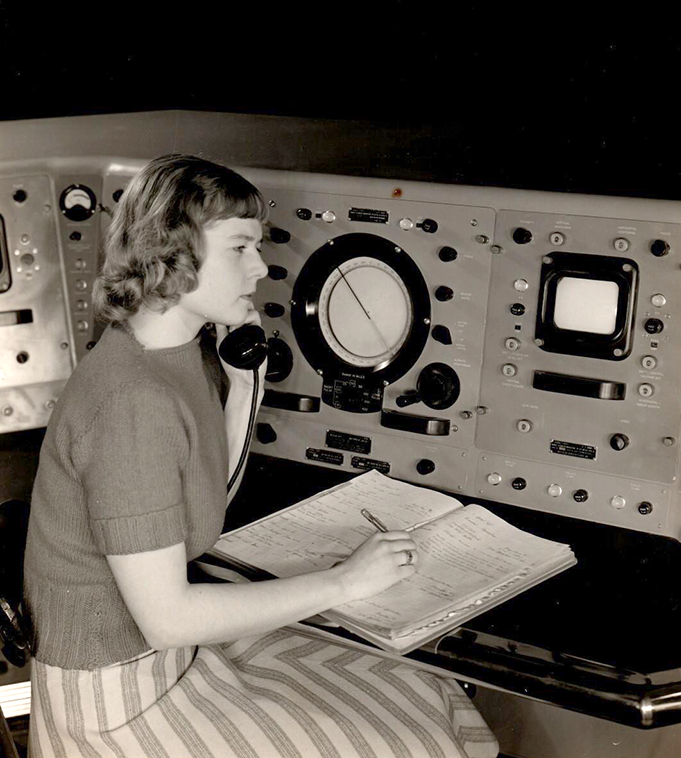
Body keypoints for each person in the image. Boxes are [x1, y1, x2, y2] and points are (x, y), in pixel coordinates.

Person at [23, 153, 499, 758]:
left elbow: (202, 500)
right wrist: (344, 582)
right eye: (240, 248)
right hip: (116, 701)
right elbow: (169, 619)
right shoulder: (132, 404)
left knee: (423, 688)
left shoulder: (174, 355)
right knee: (414, 743)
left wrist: (244, 387)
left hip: (171, 661)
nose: (261, 266)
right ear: (173, 253)